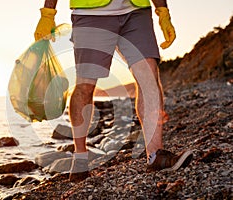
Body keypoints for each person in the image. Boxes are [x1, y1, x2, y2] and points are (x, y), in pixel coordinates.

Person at [34, 0, 193, 182]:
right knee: (85, 85)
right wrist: (48, 13)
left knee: (149, 75)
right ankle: (80, 157)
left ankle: (155, 154)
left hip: (137, 11)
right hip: (91, 13)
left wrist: (163, 11)